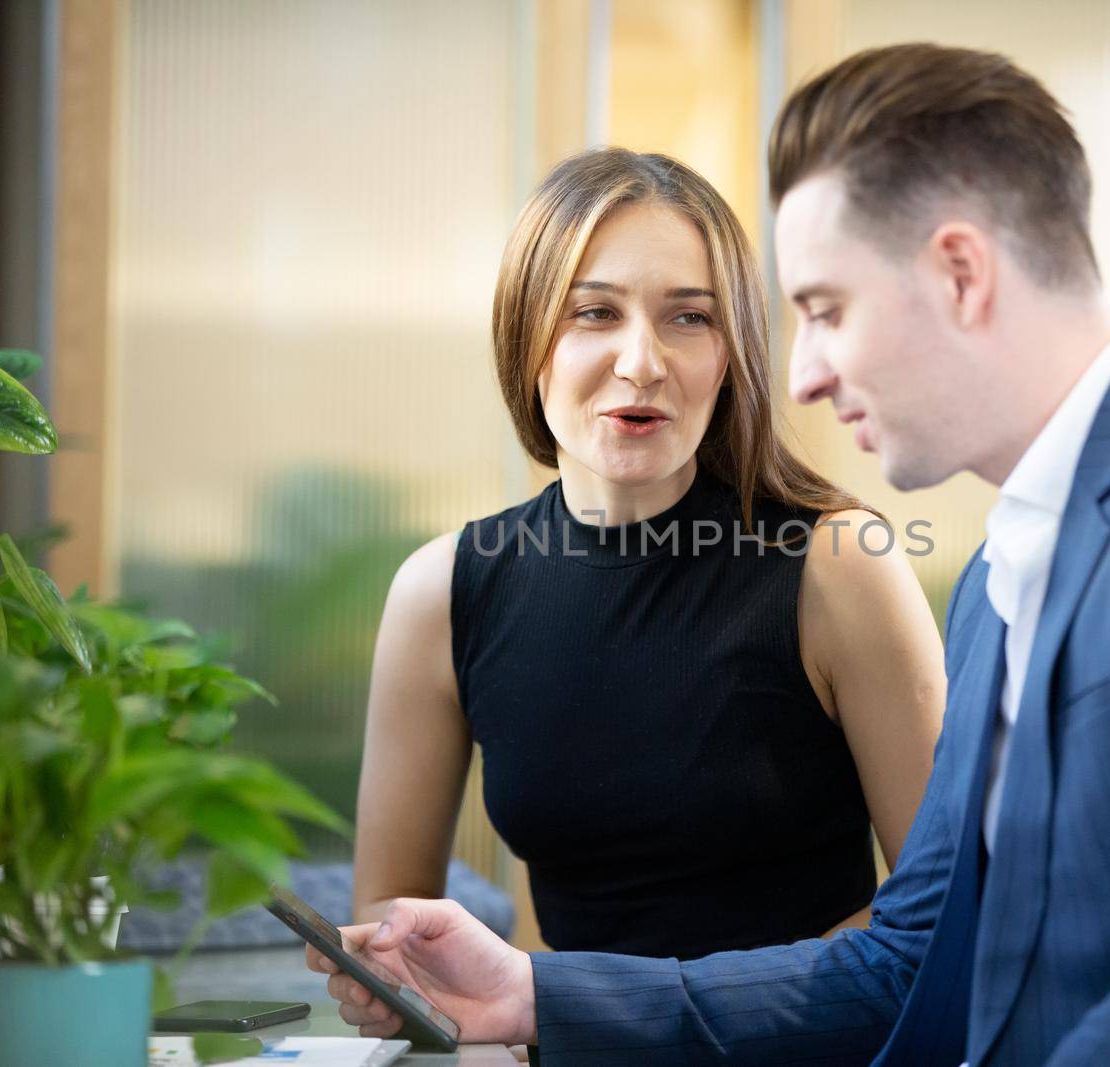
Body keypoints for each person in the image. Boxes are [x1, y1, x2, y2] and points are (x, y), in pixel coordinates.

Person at [312, 44, 1110, 1065]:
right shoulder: (996, 578)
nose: (807, 371)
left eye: (823, 306)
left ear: (960, 272)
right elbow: (909, 959)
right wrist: (534, 992)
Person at [348, 147, 947, 963]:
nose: (642, 363)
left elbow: (941, 917)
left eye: (689, 317)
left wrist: (600, 1019)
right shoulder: (445, 589)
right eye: (594, 313)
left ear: (730, 354)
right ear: (528, 336)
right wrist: (451, 1013)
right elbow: (392, 919)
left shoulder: (839, 565)